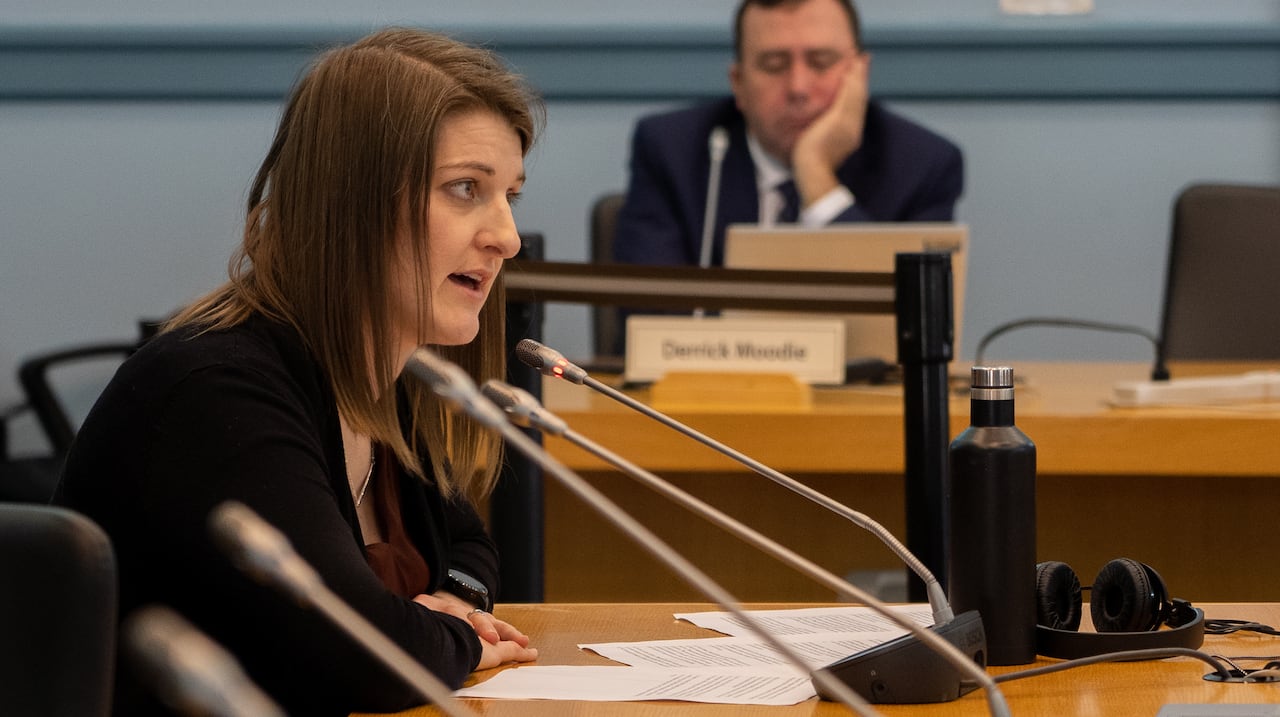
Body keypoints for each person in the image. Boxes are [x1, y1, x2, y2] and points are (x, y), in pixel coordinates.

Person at [53, 28, 541, 716]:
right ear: (352, 201)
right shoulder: (219, 390)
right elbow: (357, 649)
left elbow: (466, 544)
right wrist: (456, 636)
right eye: (466, 188)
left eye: (509, 194)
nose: (507, 235)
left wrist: (453, 610)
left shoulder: (383, 380)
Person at [614, 0, 964, 268]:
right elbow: (648, 316)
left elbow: (912, 328)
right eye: (774, 65)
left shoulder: (922, 165)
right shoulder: (672, 150)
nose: (798, 87)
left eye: (821, 62)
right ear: (739, 83)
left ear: (860, 73)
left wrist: (815, 173)